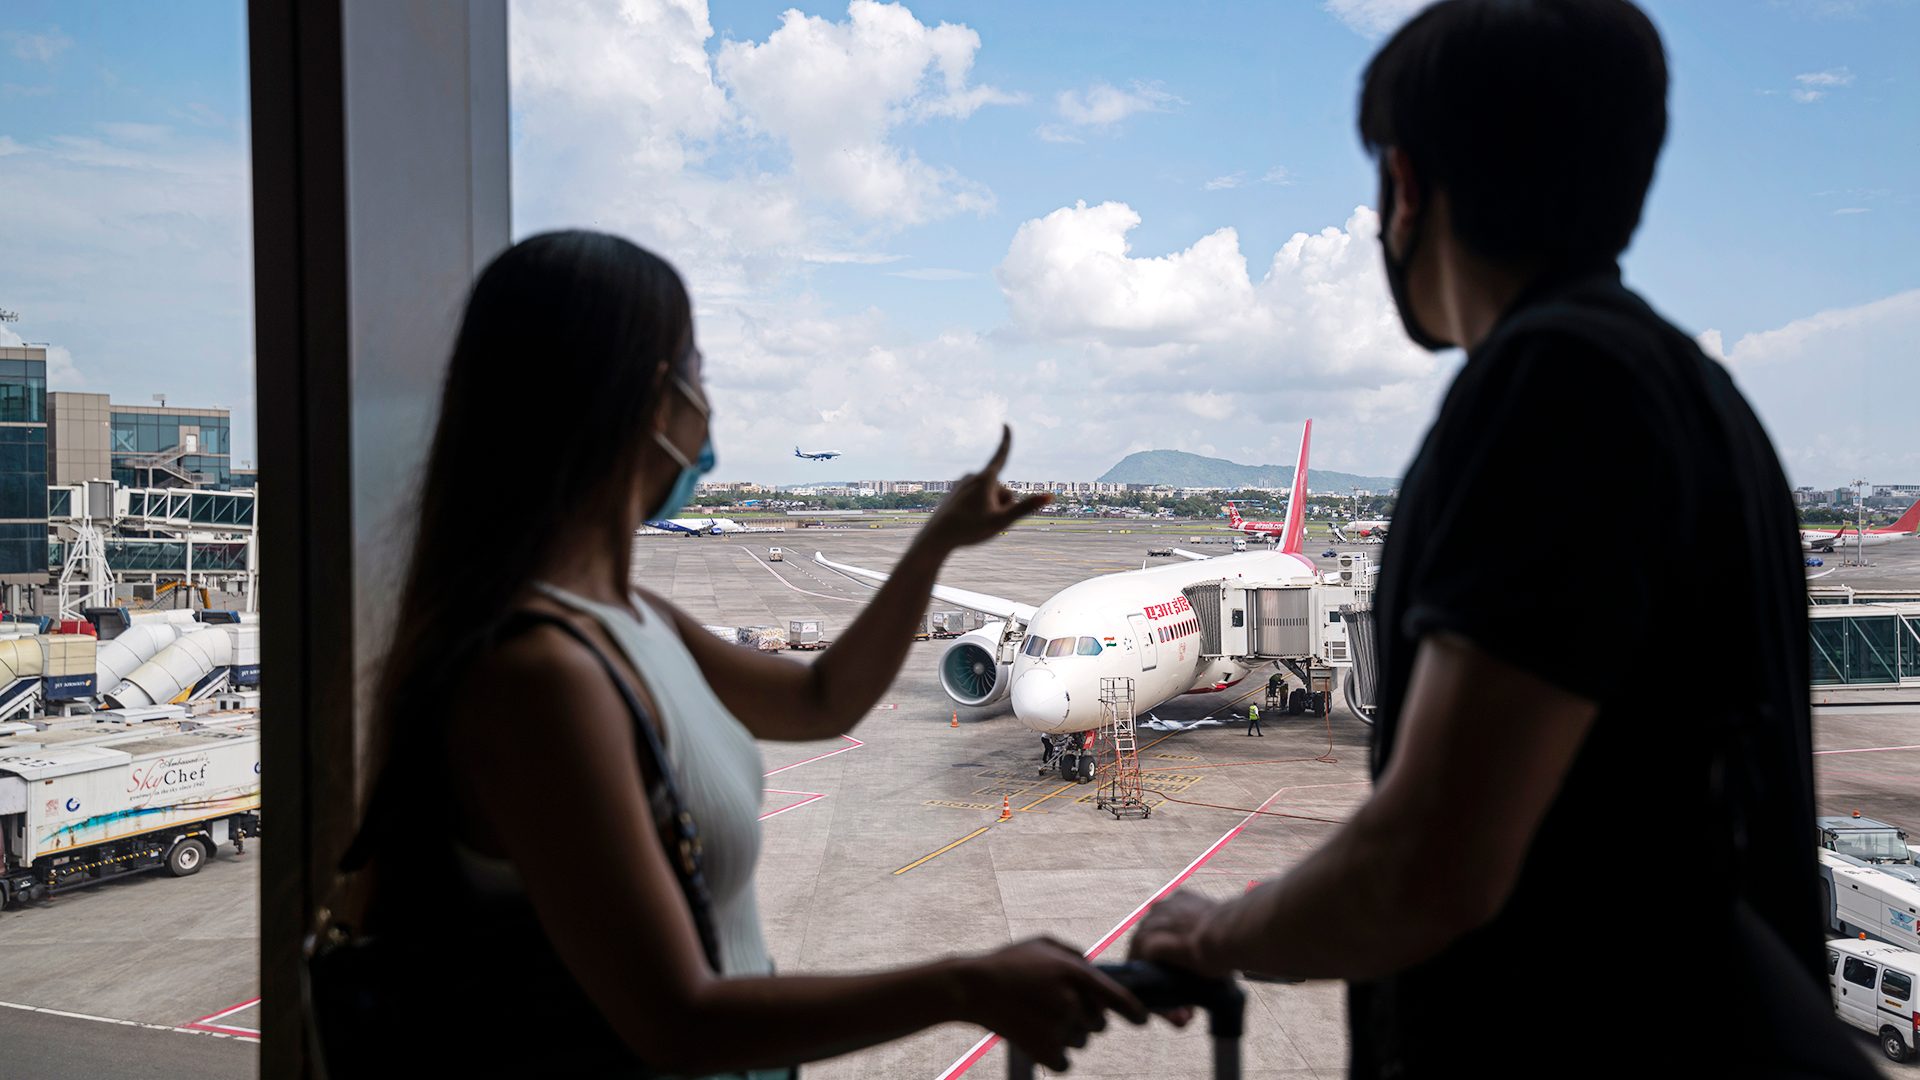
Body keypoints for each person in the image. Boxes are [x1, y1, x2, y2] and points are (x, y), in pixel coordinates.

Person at [1130, 2, 1876, 1076]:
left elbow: (1434, 859)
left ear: (1406, 187)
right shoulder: (1700, 397)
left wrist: (1215, 932)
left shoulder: (1555, 387)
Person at [346, 231, 1146, 1076]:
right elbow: (678, 1021)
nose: (708, 405)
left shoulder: (628, 619)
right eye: (696, 371)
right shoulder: (540, 678)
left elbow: (821, 700)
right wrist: (965, 985)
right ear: (645, 400)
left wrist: (935, 541)